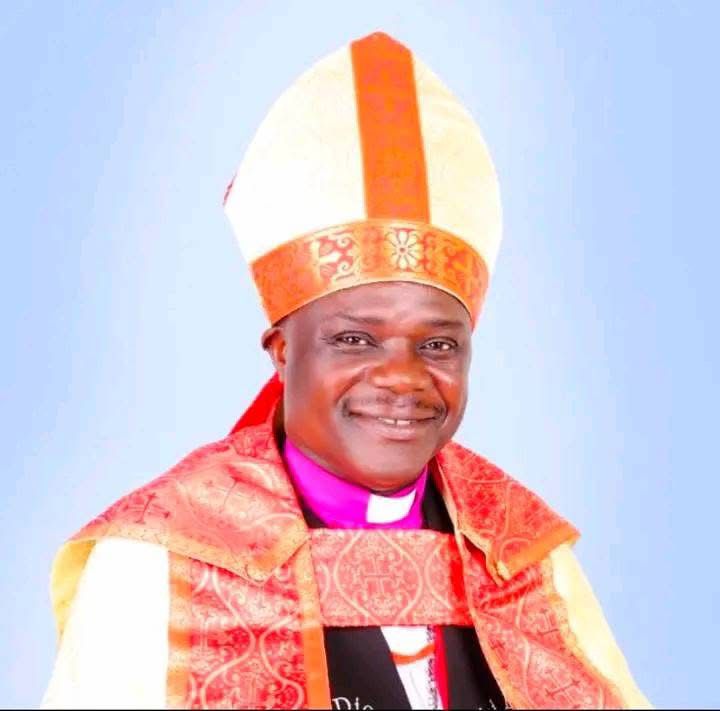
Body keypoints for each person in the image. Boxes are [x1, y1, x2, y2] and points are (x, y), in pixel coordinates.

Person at [42, 32, 650, 710]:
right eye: (356, 339)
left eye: (438, 345)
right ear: (281, 351)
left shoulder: (523, 556)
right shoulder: (161, 565)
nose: (403, 377)